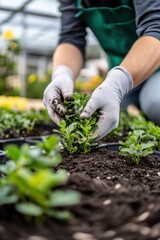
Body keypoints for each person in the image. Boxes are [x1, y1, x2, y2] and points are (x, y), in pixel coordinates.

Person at [43, 0, 160, 140]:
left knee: (154, 102)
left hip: (152, 59)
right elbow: (70, 37)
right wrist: (61, 74)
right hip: (122, 67)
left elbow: (156, 27)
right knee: (114, 118)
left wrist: (117, 84)